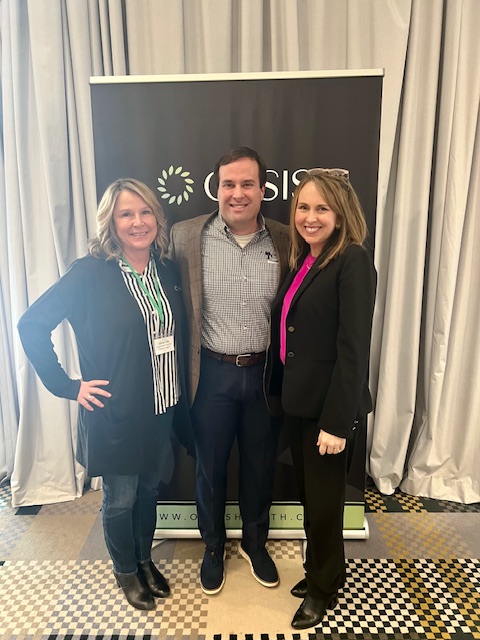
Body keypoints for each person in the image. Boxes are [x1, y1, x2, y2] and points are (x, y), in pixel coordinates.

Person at [18, 178, 192, 611]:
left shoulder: (166, 270)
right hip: (115, 410)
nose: (138, 222)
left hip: (162, 407)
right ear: (110, 223)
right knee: (122, 497)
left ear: (157, 218)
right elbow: (31, 325)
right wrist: (68, 386)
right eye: (126, 214)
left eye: (145, 212)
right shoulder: (89, 273)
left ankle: (144, 560)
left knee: (149, 491)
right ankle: (125, 570)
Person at [169, 147, 290, 594]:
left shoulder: (285, 238)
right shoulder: (186, 236)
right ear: (216, 188)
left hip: (264, 375)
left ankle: (255, 544)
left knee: (260, 466)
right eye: (228, 184)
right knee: (210, 469)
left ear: (263, 189)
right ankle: (214, 547)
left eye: (247, 184)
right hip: (210, 374)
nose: (237, 193)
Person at [266, 169, 376, 629]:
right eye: (303, 207)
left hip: (328, 410)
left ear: (341, 213)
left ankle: (321, 589)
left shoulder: (352, 260)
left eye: (321, 208)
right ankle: (326, 570)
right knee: (311, 499)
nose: (310, 217)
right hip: (299, 403)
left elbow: (354, 350)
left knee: (326, 505)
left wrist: (336, 422)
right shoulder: (306, 259)